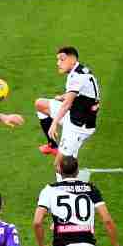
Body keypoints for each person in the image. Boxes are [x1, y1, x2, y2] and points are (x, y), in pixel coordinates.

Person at [34, 46, 101, 174]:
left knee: (60, 165)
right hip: (74, 114)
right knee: (40, 104)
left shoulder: (77, 76)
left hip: (79, 126)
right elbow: (81, 94)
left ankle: (68, 188)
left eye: (62, 59)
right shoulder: (79, 71)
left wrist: (54, 124)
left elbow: (67, 105)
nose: (58, 63)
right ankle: (52, 145)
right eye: (57, 60)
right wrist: (62, 97)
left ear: (72, 59)